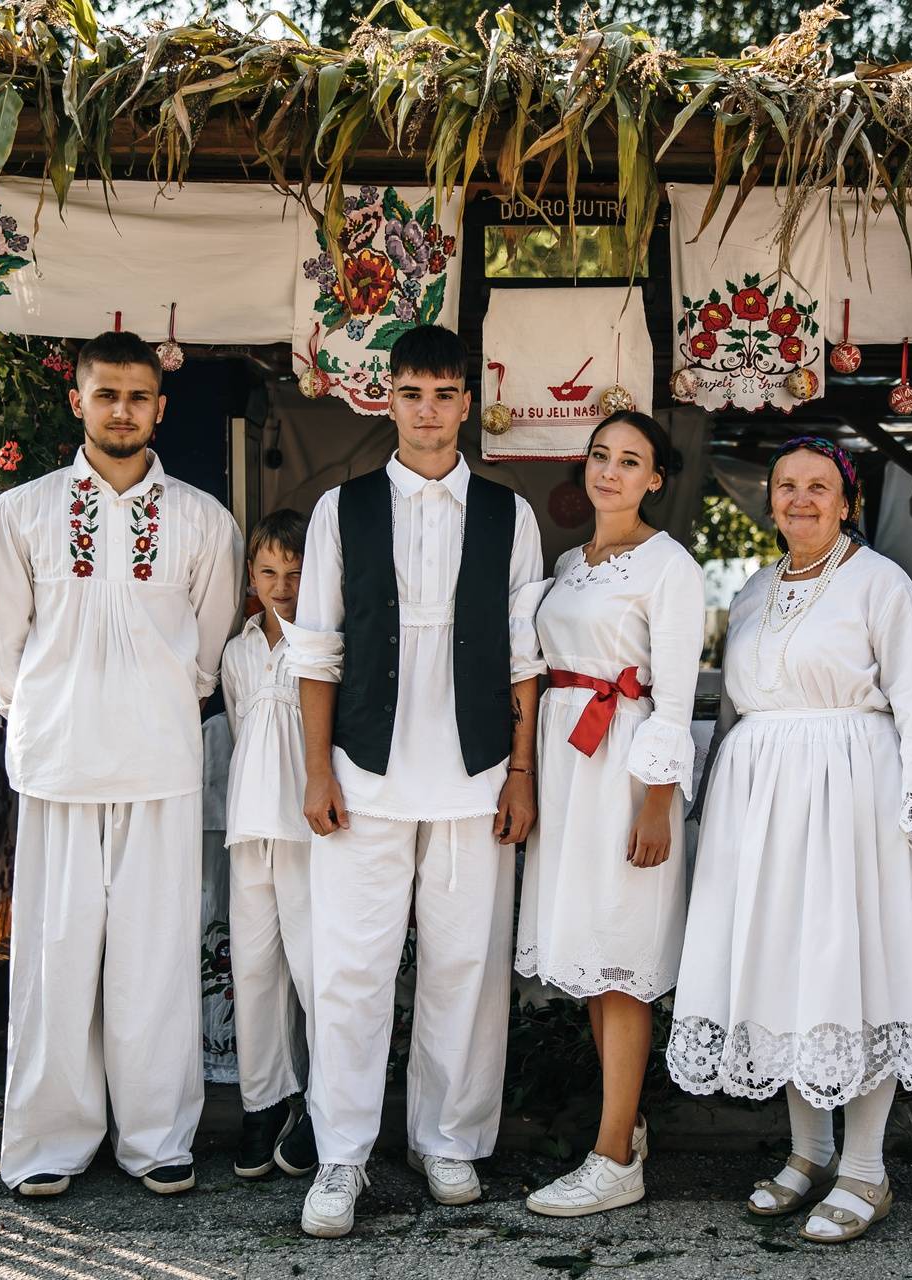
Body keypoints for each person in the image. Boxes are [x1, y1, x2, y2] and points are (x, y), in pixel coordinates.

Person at [282, 323, 548, 1239]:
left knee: (463, 968)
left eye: (445, 394)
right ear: (385, 399)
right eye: (411, 393)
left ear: (467, 402)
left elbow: (524, 658)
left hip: (475, 778)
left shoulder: (510, 513)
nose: (428, 411)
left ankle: (448, 1139)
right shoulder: (339, 510)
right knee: (350, 969)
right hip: (364, 772)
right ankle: (341, 1157)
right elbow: (315, 651)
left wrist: (520, 773)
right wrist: (316, 769)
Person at [667, 436, 912, 1244]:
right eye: (787, 486)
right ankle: (808, 1152)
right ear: (770, 501)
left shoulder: (880, 583)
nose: (801, 498)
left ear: (847, 501)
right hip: (761, 805)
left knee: (852, 967)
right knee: (788, 969)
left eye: (819, 487)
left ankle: (865, 1173)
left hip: (851, 797)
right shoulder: (756, 590)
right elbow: (735, 710)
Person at [0, 329, 244, 1198]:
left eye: (137, 396)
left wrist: (149, 702)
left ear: (160, 407)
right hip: (57, 766)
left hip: (161, 765)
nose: (121, 410)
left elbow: (205, 656)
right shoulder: (21, 513)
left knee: (154, 959)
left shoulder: (204, 519)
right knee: (54, 959)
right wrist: (58, 711)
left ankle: (157, 1139)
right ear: (77, 400)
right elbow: (0, 647)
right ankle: (49, 1144)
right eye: (106, 395)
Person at [516, 411, 703, 1217]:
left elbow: (676, 696)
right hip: (567, 767)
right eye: (601, 456)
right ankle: (624, 1128)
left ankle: (613, 1155)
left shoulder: (671, 567)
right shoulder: (569, 562)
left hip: (625, 771)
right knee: (594, 958)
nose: (611, 471)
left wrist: (657, 801)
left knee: (623, 961)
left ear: (655, 479)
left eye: (631, 461)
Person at [222, 508, 320, 1180]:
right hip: (249, 828)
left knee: (317, 972)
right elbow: (238, 724)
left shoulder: (321, 643)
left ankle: (324, 1103)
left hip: (309, 833)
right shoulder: (236, 651)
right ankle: (265, 1101)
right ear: (251, 577)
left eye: (294, 572)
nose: (281, 585)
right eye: (269, 572)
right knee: (254, 971)